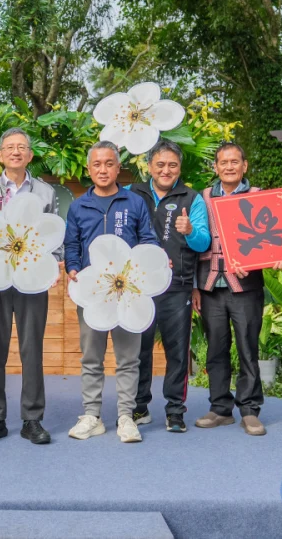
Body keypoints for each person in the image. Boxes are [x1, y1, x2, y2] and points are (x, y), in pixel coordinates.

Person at [0, 127, 60, 445]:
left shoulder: (46, 193)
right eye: (10, 147)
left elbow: (54, 237)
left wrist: (54, 267)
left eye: (22, 147)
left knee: (32, 349)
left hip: (33, 280)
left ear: (30, 155)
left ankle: (32, 419)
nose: (16, 151)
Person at [64, 140, 160, 443]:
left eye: (109, 164)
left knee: (128, 359)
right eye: (97, 164)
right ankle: (92, 416)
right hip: (93, 295)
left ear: (119, 168)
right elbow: (71, 245)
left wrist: (156, 260)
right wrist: (73, 268)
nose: (103, 169)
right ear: (89, 169)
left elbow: (148, 239)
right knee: (91, 357)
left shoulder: (134, 203)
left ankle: (125, 417)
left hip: (129, 295)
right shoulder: (79, 206)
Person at [128, 139, 210, 433]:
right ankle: (139, 406)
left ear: (179, 168)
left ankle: (175, 410)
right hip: (138, 287)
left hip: (178, 286)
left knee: (177, 351)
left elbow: (204, 242)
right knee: (140, 349)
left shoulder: (192, 198)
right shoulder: (131, 193)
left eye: (172, 165)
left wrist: (189, 231)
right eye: (160, 164)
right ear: (149, 166)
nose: (166, 170)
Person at [194, 142, 268, 436]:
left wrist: (256, 259)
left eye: (234, 161)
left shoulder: (258, 197)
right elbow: (194, 242)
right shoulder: (202, 197)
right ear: (215, 167)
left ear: (244, 166)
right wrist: (193, 288)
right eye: (223, 162)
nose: (228, 167)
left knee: (248, 348)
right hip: (210, 284)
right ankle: (220, 408)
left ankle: (249, 410)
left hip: (246, 286)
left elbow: (271, 238)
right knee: (216, 349)